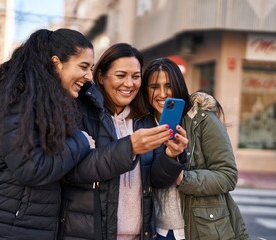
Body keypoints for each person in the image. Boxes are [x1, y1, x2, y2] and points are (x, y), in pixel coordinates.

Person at [0, 28, 95, 240]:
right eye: (84, 67)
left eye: (92, 69)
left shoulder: (49, 102)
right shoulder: (20, 100)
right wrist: (82, 141)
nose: (89, 76)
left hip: (8, 228)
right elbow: (31, 168)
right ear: (56, 63)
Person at [58, 43, 188, 240]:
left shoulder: (144, 118)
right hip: (89, 234)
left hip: (139, 234)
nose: (129, 84)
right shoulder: (80, 111)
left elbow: (157, 181)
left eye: (136, 77)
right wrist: (130, 147)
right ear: (101, 77)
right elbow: (73, 171)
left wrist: (171, 156)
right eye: (121, 75)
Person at [141, 57, 249, 240]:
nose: (162, 94)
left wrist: (184, 179)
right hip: (157, 231)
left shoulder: (201, 120)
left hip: (200, 230)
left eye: (168, 85)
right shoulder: (143, 124)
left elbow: (228, 175)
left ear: (178, 85)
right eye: (153, 87)